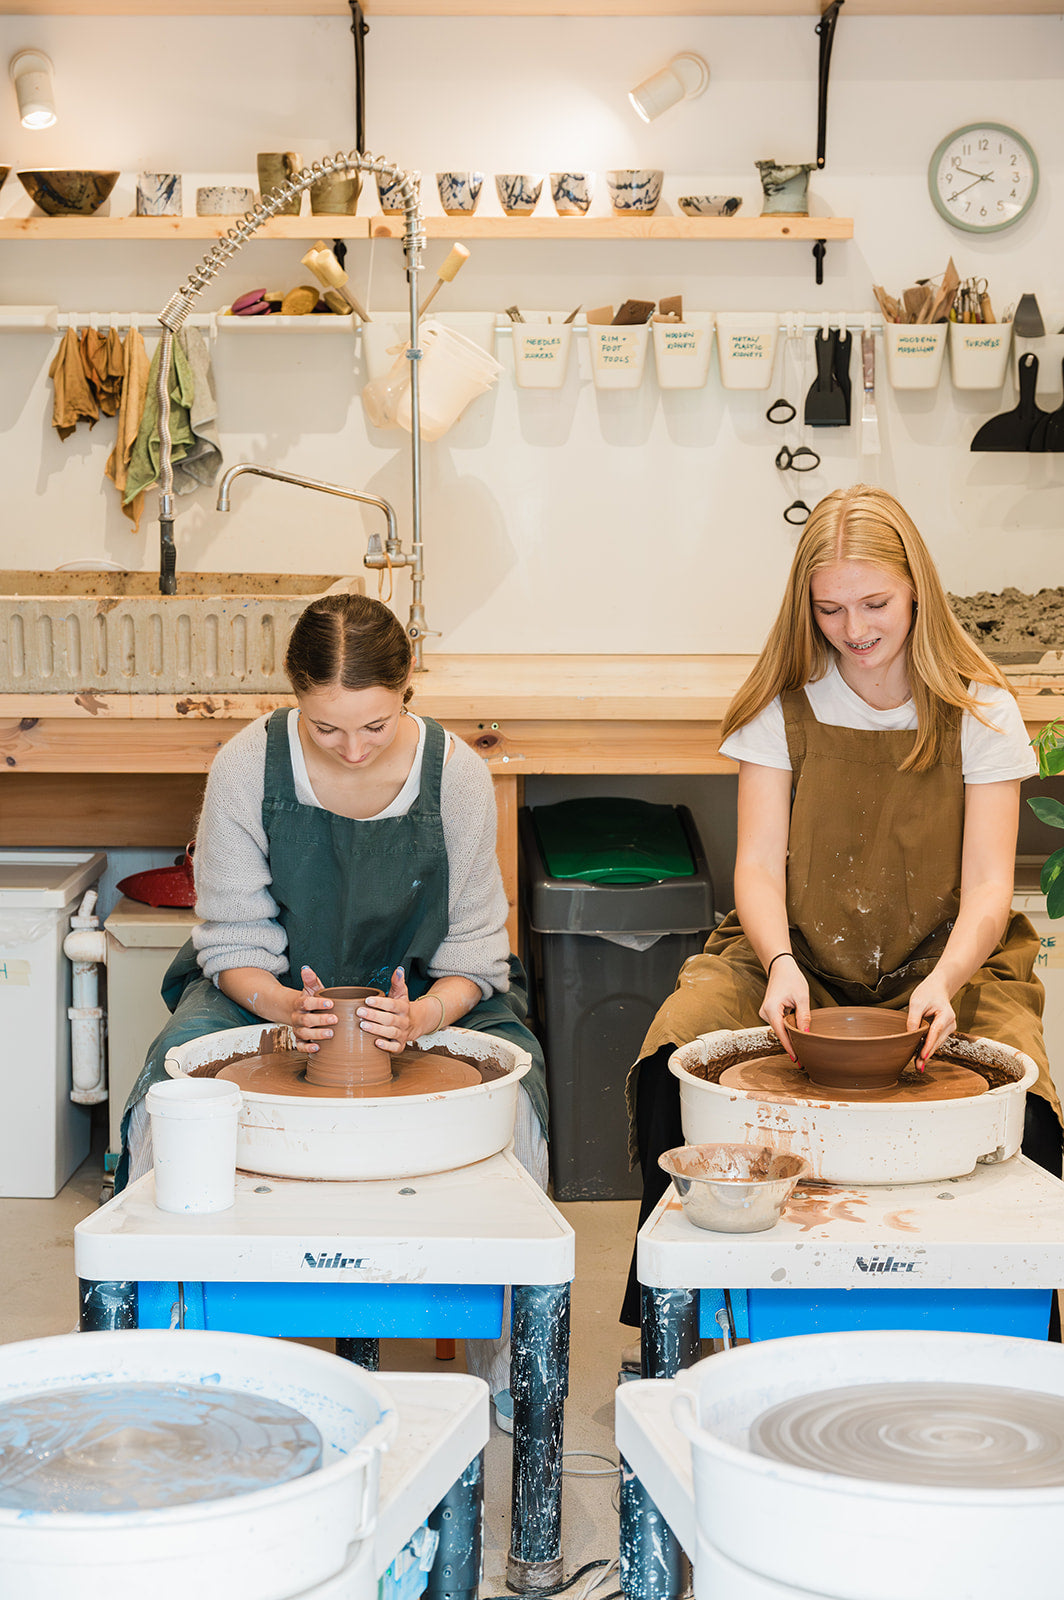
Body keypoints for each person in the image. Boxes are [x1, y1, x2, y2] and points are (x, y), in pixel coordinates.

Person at [621, 484, 1059, 1327]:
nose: (854, 629)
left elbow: (990, 891)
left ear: (917, 591)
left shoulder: (981, 710)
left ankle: (1020, 1332)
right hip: (795, 951)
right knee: (673, 1052)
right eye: (829, 609)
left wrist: (948, 978)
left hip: (950, 957)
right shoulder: (782, 707)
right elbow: (754, 867)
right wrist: (781, 961)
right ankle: (670, 1324)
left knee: (1029, 1105)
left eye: (874, 604)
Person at [118, 592, 548, 1423]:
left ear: (407, 688)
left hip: (426, 996)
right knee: (162, 1103)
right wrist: (281, 1007)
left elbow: (475, 957)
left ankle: (510, 1364)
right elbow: (234, 939)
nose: (351, 749)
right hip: (269, 991)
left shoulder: (455, 772)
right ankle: (159, 1342)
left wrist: (423, 1018)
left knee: (519, 1104)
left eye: (375, 726)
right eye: (325, 729)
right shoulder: (248, 763)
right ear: (294, 700)